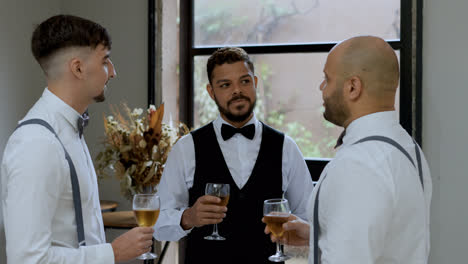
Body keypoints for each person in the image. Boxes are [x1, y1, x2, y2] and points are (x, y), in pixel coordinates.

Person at [265, 35, 432, 264]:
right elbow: (385, 240)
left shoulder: (357, 164)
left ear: (353, 87)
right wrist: (317, 236)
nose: (321, 87)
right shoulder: (408, 148)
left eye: (327, 79)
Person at [1, 15, 154, 263]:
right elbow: (27, 259)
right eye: (105, 60)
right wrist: (112, 253)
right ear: (78, 68)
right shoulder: (37, 143)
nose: (113, 72)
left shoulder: (68, 130)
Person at [153, 47, 314, 263]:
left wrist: (292, 229)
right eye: (225, 85)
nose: (237, 90)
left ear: (255, 82)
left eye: (244, 81)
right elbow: (158, 224)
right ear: (211, 92)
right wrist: (187, 217)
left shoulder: (286, 147)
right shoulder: (186, 148)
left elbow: (309, 219)